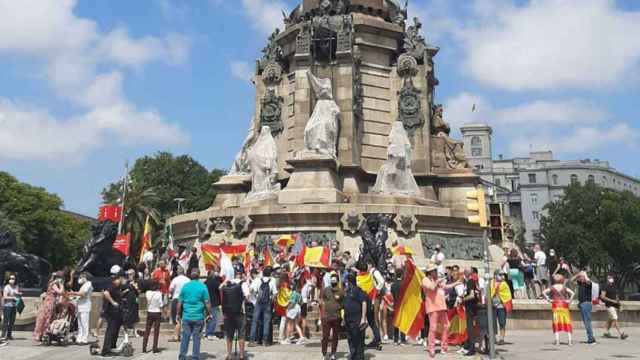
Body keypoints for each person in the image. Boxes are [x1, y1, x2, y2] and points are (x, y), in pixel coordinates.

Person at [422, 262, 459, 358]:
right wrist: (437, 281)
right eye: (434, 271)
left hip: (442, 306)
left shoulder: (437, 279)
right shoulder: (425, 280)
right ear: (429, 272)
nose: (436, 272)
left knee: (447, 326)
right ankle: (431, 348)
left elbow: (446, 287)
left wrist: (456, 283)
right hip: (432, 307)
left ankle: (444, 347)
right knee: (433, 328)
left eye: (436, 270)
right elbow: (431, 287)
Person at [178, 269, 211, 360]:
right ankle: (195, 357)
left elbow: (180, 302)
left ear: (190, 276)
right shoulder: (203, 286)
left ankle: (182, 356)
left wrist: (178, 314)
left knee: (185, 336)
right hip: (198, 316)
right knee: (196, 338)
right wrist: (209, 313)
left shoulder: (185, 286)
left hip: (186, 316)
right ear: (199, 275)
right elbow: (207, 302)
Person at [221, 264, 249, 360]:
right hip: (240, 312)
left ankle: (229, 354)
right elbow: (247, 297)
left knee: (229, 334)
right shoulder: (243, 283)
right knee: (241, 333)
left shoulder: (228, 283)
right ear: (241, 273)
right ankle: (241, 354)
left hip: (228, 313)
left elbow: (220, 290)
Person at [542, 274, 574, 346]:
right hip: (564, 305)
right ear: (562, 280)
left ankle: (557, 341)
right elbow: (572, 293)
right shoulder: (564, 287)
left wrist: (548, 299)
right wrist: (569, 300)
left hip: (556, 305)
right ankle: (570, 341)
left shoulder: (552, 287)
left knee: (556, 322)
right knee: (567, 322)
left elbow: (543, 292)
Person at [33, 272, 65, 342]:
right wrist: (61, 285)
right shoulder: (54, 284)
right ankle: (43, 334)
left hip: (49, 302)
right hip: (49, 303)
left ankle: (40, 334)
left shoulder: (51, 283)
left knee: (45, 318)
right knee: (46, 318)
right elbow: (60, 292)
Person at [249, 266, 277, 346]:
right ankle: (265, 341)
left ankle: (251, 341)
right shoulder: (273, 280)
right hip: (267, 303)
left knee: (255, 321)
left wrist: (255, 296)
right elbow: (275, 293)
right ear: (270, 274)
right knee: (266, 322)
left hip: (258, 302)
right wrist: (271, 300)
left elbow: (251, 290)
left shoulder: (257, 280)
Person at [343, 273, 368, 360]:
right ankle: (353, 355)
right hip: (348, 319)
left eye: (346, 282)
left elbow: (364, 302)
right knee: (350, 338)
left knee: (358, 339)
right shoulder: (346, 291)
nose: (345, 284)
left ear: (350, 282)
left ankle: (359, 356)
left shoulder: (358, 290)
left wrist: (363, 318)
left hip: (356, 319)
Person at [320, 272, 343, 360]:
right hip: (326, 317)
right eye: (332, 280)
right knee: (325, 336)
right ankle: (324, 353)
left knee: (335, 336)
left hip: (336, 317)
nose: (333, 281)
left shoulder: (341, 291)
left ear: (337, 281)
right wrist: (321, 315)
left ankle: (333, 353)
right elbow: (321, 301)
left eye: (335, 280)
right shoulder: (326, 290)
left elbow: (343, 303)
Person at [101, 273, 124, 356]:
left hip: (116, 313)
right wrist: (113, 302)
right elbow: (106, 293)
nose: (120, 281)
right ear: (116, 279)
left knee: (115, 331)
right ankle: (105, 350)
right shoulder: (112, 286)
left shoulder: (118, 287)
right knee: (110, 331)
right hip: (111, 313)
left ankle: (112, 347)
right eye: (120, 279)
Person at [67, 272, 92, 344]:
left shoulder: (88, 284)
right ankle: (79, 337)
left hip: (85, 306)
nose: (79, 279)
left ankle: (84, 339)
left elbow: (83, 294)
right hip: (80, 306)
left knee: (84, 323)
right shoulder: (83, 285)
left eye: (81, 277)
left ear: (85, 277)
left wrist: (73, 293)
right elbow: (79, 295)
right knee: (80, 324)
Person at [601, 274, 628, 340]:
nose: (611, 279)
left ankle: (606, 332)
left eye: (611, 277)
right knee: (615, 318)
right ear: (607, 279)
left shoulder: (614, 286)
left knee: (610, 320)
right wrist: (612, 300)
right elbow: (602, 296)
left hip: (614, 305)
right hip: (609, 305)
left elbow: (616, 297)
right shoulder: (604, 286)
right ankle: (621, 334)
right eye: (609, 278)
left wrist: (619, 305)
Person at [572, 271, 596, 344]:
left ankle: (591, 339)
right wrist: (578, 274)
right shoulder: (581, 283)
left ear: (585, 277)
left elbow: (589, 281)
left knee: (587, 322)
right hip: (582, 304)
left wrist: (584, 275)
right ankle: (591, 337)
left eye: (581, 277)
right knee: (586, 322)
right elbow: (571, 280)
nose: (580, 278)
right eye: (580, 277)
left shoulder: (588, 284)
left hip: (586, 304)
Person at [459, 267, 479, 356]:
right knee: (470, 328)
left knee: (470, 328)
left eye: (464, 272)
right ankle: (469, 346)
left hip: (470, 308)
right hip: (472, 308)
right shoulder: (472, 282)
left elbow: (471, 295)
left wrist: (463, 300)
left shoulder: (470, 282)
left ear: (467, 273)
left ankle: (472, 349)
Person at [490, 270, 512, 345]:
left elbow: (507, 295)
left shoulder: (504, 284)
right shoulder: (491, 283)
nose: (502, 276)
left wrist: (500, 302)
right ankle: (493, 338)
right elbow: (489, 293)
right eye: (500, 274)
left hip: (501, 306)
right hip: (492, 307)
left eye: (503, 275)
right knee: (492, 323)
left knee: (502, 323)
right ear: (495, 275)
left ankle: (501, 338)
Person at [170, 267, 191, 342]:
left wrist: (172, 294)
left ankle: (176, 335)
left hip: (176, 299)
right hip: (186, 300)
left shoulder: (175, 279)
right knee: (185, 318)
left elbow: (171, 289)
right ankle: (186, 335)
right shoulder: (188, 280)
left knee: (176, 318)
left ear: (178, 272)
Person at [143, 281, 164, 353]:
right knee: (156, 331)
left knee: (147, 330)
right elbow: (161, 304)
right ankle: (155, 348)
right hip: (157, 312)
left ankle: (144, 347)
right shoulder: (159, 294)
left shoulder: (147, 293)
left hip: (149, 312)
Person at [121, 269, 140, 340]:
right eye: (128, 274)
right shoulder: (125, 283)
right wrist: (126, 291)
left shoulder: (136, 282)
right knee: (126, 317)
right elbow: (121, 293)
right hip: (127, 302)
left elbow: (139, 292)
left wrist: (136, 288)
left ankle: (135, 331)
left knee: (135, 317)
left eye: (131, 274)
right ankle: (125, 333)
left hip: (134, 302)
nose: (129, 276)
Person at [1, 274, 22, 341]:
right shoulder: (7, 287)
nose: (12, 280)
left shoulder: (16, 287)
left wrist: (19, 295)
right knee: (6, 321)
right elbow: (5, 297)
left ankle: (9, 335)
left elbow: (17, 295)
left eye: (13, 279)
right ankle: (3, 335)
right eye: (11, 278)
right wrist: (13, 297)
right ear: (8, 279)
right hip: (7, 306)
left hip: (14, 306)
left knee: (12, 321)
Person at [205, 268, 223, 340]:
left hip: (207, 302)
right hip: (214, 302)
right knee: (213, 318)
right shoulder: (214, 282)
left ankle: (207, 333)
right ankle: (210, 333)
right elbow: (220, 287)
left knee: (209, 318)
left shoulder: (206, 282)